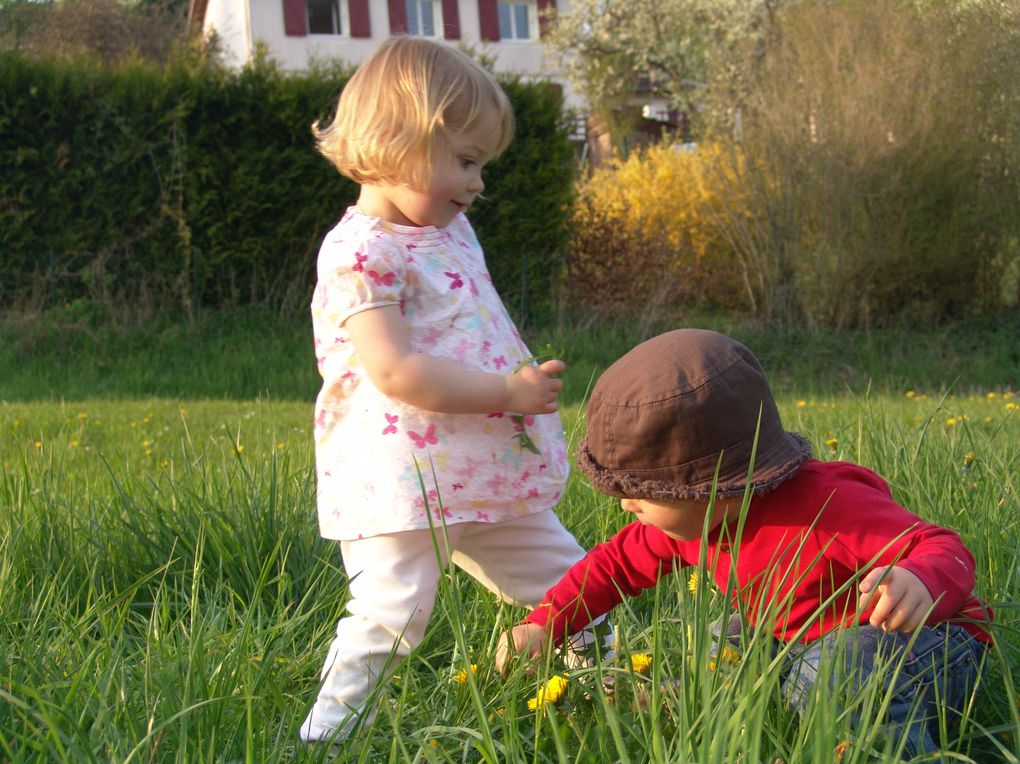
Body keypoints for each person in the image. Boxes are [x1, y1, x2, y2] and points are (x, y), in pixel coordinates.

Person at [301, 35, 610, 743]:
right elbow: (395, 371)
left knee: (575, 589)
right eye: (465, 162)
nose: (477, 183)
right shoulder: (358, 251)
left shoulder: (450, 228)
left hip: (485, 470)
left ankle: (620, 697)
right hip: (405, 483)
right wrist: (507, 390)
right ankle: (327, 738)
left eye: (482, 165)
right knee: (392, 611)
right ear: (394, 141)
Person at [496, 328, 992, 758]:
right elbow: (612, 568)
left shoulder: (827, 506)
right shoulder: (689, 523)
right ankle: (730, 703)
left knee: (839, 669)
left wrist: (917, 577)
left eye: (641, 493)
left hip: (928, 645)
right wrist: (546, 624)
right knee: (722, 640)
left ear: (718, 483)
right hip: (799, 642)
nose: (627, 506)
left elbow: (941, 545)